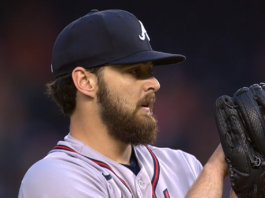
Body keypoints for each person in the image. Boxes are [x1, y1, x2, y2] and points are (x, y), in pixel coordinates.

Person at [18, 9, 233, 198]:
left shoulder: (183, 166)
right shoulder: (51, 178)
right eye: (134, 71)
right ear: (85, 82)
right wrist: (215, 168)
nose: (155, 84)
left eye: (151, 71)